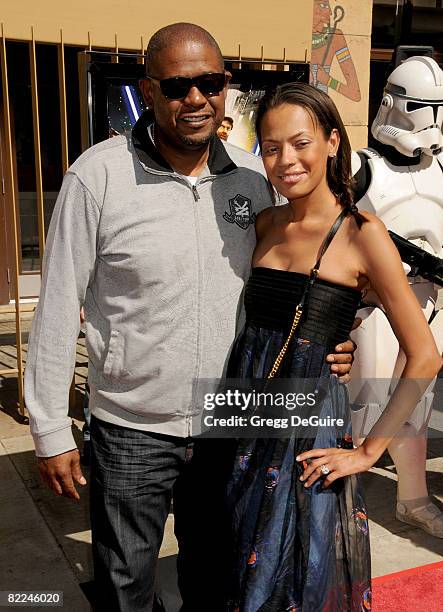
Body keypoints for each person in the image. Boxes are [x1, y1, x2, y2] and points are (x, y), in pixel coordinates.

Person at [24, 24, 356, 612]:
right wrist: (51, 427)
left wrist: (327, 343)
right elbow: (56, 307)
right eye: (178, 87)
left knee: (217, 582)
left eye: (209, 83)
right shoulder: (96, 177)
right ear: (149, 90)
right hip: (132, 428)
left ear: (226, 87)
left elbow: (293, 285)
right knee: (125, 589)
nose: (195, 100)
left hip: (230, 424)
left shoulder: (257, 183)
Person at [225, 83, 442, 611]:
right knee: (239, 554)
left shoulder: (364, 232)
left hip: (309, 428)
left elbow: (425, 354)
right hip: (246, 414)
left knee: (298, 568)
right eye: (271, 147)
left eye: (300, 143)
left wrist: (367, 451)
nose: (285, 160)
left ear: (332, 142)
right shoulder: (265, 223)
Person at [351, 55, 443, 538]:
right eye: (424, 107)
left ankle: (413, 497)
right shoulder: (361, 168)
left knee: (418, 402)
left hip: (430, 299)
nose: (431, 120)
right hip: (376, 304)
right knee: (366, 402)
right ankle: (341, 500)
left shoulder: (439, 169)